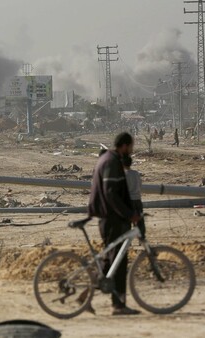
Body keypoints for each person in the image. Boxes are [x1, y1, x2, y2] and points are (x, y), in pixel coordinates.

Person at [88, 132, 141, 316]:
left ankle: (86, 297)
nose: (131, 150)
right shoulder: (111, 161)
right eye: (131, 146)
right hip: (112, 219)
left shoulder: (109, 159)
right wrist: (129, 214)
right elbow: (111, 193)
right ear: (125, 146)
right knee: (117, 263)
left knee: (111, 261)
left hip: (111, 218)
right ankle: (118, 306)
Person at [123, 156, 146, 242]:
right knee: (139, 221)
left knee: (127, 222)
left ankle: (127, 241)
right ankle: (142, 238)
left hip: (128, 201)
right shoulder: (136, 173)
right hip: (137, 199)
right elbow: (140, 185)